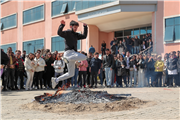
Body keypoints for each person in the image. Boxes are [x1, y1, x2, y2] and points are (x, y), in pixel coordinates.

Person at [51, 20, 88, 89]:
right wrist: (62, 25)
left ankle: (56, 80)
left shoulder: (76, 35)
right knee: (85, 57)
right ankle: (66, 58)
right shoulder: (67, 33)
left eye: (77, 27)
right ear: (71, 26)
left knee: (71, 73)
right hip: (69, 53)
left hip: (72, 55)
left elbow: (84, 36)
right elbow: (59, 33)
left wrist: (85, 27)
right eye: (74, 27)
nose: (76, 29)